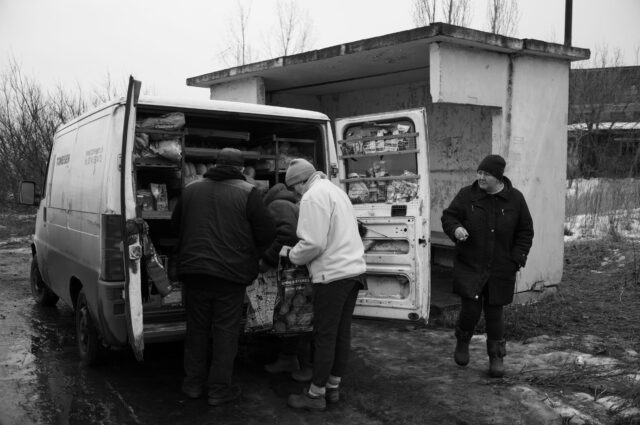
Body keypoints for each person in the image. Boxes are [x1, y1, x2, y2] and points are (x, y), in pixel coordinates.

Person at [171, 147, 275, 406]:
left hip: (194, 273)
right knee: (225, 333)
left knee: (196, 331)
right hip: (230, 276)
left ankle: (193, 384)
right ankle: (218, 390)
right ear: (241, 169)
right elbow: (267, 232)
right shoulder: (249, 192)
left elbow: (175, 226)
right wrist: (253, 251)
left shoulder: (191, 189)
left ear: (215, 164)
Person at [282, 159, 367, 411]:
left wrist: (292, 255)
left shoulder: (312, 196)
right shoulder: (335, 191)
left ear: (300, 181)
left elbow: (313, 243)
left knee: (324, 335)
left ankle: (315, 394)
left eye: (293, 187)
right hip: (353, 271)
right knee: (341, 333)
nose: (295, 193)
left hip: (332, 275)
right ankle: (332, 387)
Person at [441, 154, 534, 378]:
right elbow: (449, 217)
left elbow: (525, 232)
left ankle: (496, 356)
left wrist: (516, 258)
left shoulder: (515, 200)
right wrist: (456, 229)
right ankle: (462, 342)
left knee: (495, 314)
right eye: (479, 172)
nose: (480, 177)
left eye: (486, 174)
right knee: (470, 311)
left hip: (501, 267)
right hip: (470, 264)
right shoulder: (467, 195)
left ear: (498, 177)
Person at [258, 183, 313, 382]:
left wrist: (267, 259)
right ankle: (287, 358)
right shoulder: (286, 203)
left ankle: (306, 367)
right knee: (290, 315)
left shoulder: (277, 205)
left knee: (298, 316)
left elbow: (287, 234)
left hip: (292, 269)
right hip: (295, 268)